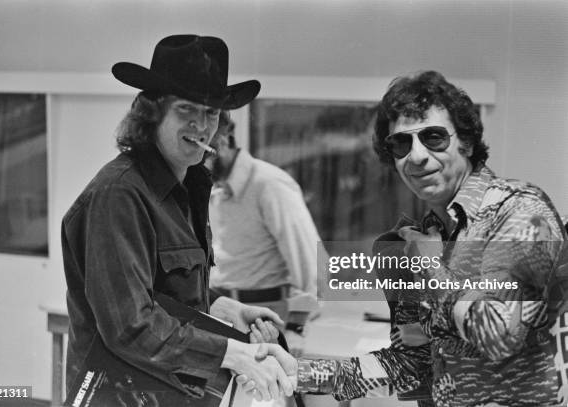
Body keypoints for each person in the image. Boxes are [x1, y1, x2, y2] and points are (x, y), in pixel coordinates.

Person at [283, 71, 567, 406]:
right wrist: (299, 374)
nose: (415, 156)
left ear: (467, 142)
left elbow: (499, 335)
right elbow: (412, 362)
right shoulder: (420, 239)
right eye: (401, 144)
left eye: (433, 137)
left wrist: (429, 266)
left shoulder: (520, 212)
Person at [61, 34, 297, 405]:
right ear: (152, 113)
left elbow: (165, 290)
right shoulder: (119, 195)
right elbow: (130, 327)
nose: (202, 127)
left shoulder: (192, 181)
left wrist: (223, 308)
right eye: (187, 109)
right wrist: (234, 355)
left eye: (212, 113)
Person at [205, 112, 323, 356]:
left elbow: (309, 263)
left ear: (224, 142)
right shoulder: (214, 186)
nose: (198, 161)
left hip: (266, 316)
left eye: (205, 152)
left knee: (265, 393)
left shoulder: (270, 184)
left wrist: (296, 329)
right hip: (222, 312)